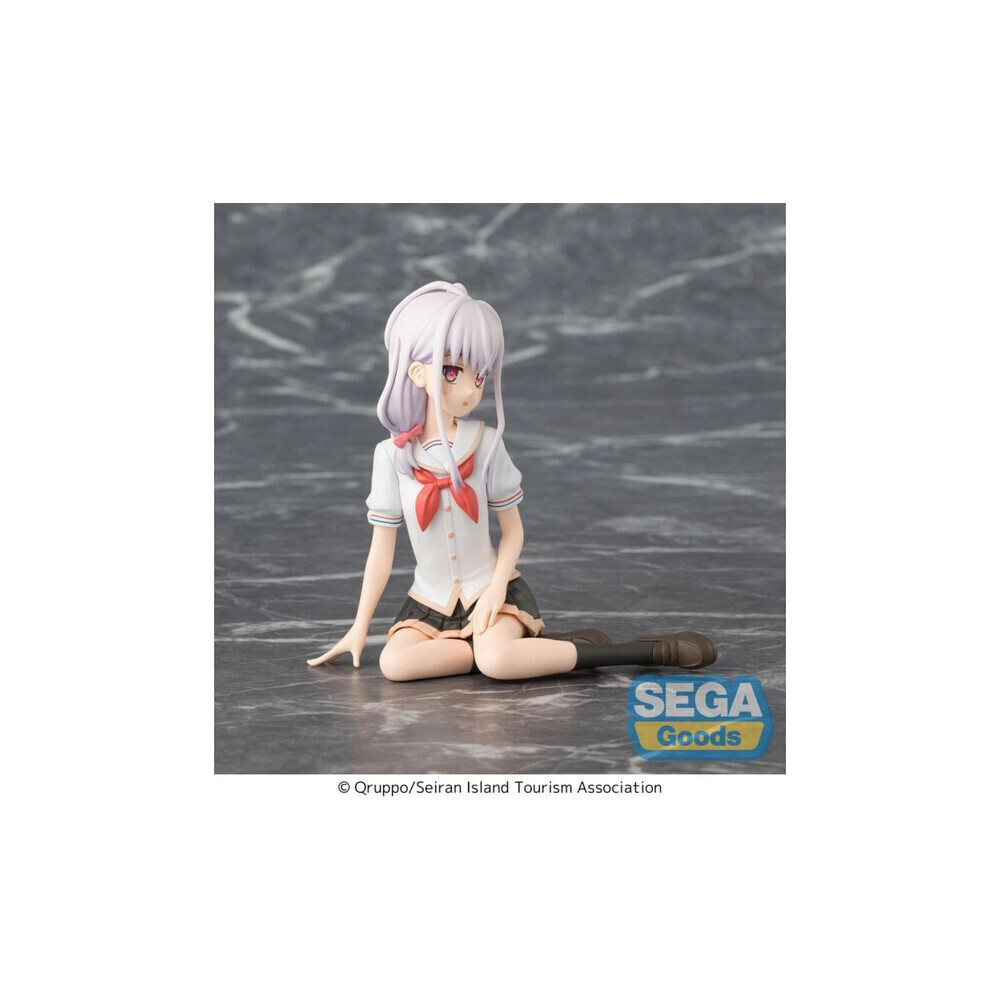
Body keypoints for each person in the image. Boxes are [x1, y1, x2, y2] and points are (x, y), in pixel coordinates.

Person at [307, 281, 717, 681]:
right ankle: (512, 651)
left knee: (498, 663)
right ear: (417, 372)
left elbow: (513, 531)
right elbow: (381, 550)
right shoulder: (391, 455)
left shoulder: (485, 443)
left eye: (479, 377)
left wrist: (497, 588)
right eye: (453, 371)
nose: (470, 389)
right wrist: (359, 626)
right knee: (395, 666)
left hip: (491, 588)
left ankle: (639, 651)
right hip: (429, 603)